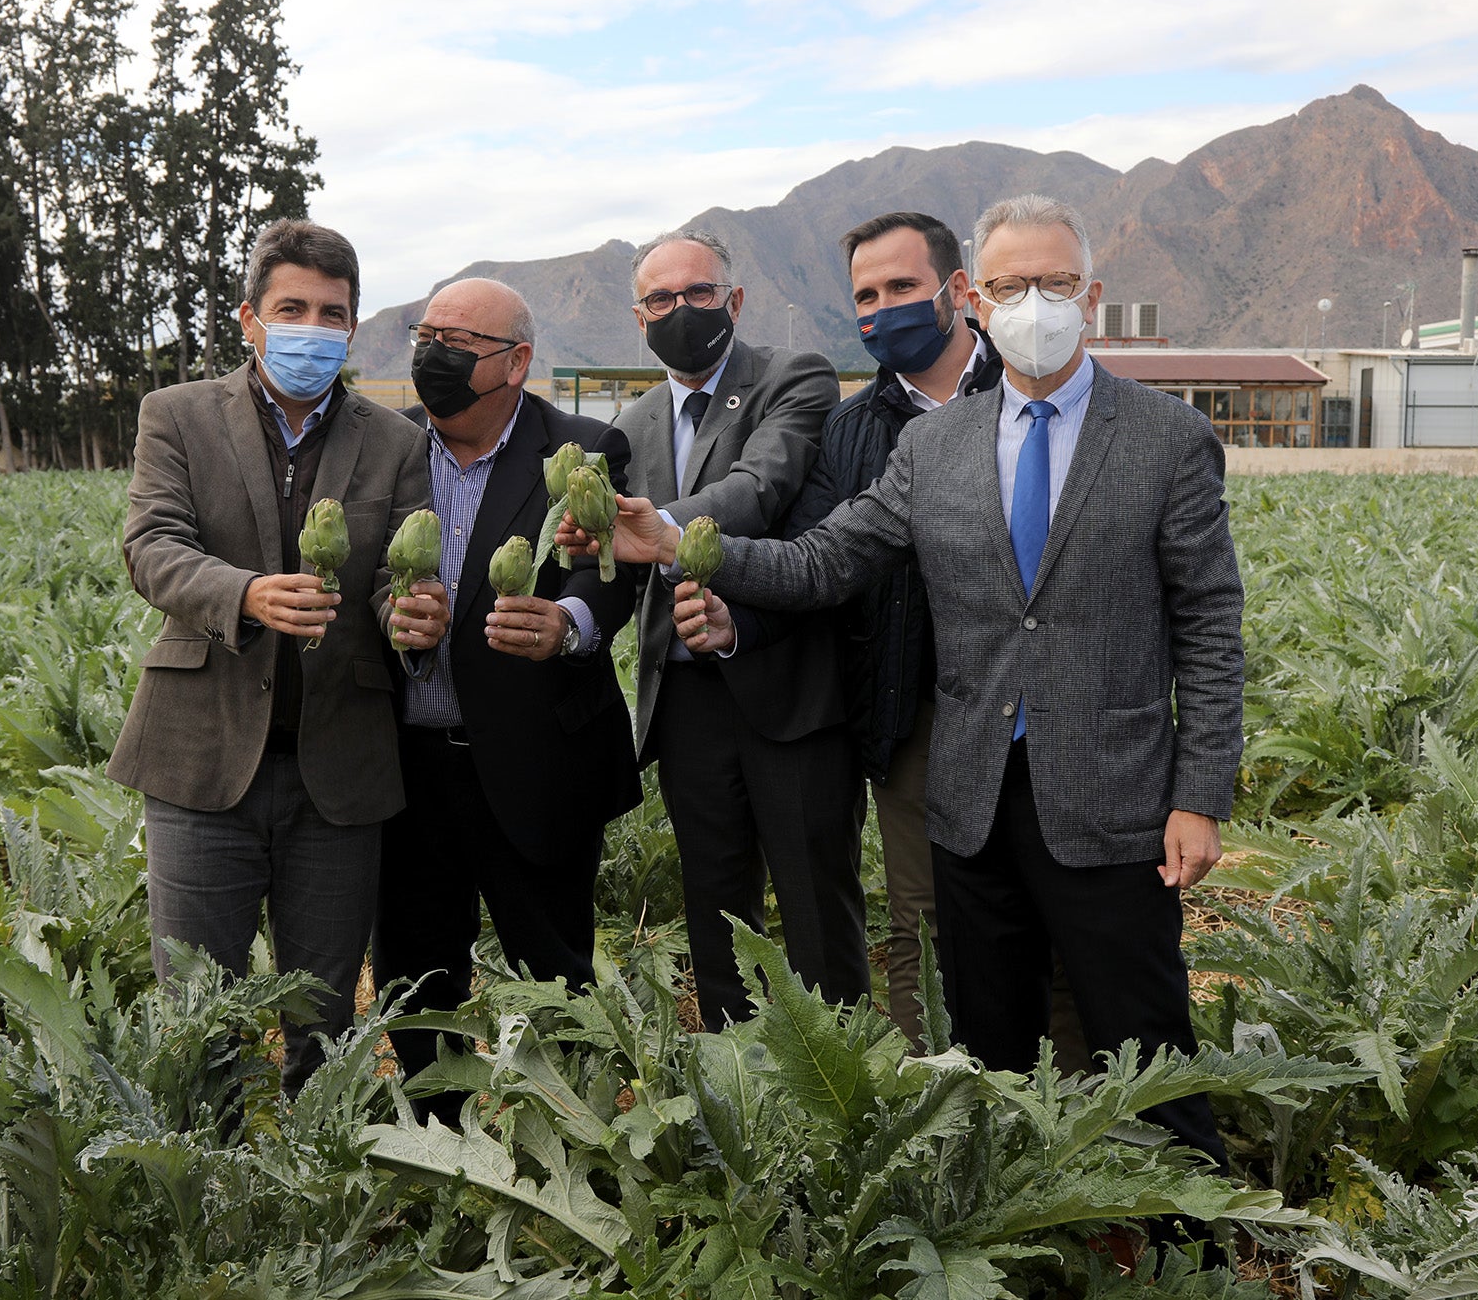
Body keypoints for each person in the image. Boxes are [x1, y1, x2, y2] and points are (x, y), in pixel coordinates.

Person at [592, 195, 1242, 1164]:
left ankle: (1185, 1238)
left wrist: (1198, 794)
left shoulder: (1163, 439)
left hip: (1110, 794)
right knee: (988, 1045)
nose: (1032, 301)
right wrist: (681, 542)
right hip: (970, 795)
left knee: (1140, 1038)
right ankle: (1019, 1218)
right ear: (976, 296)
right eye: (1011, 283)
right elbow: (821, 560)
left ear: (1090, 297)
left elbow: (1208, 628)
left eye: (1053, 283)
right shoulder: (931, 446)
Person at [108, 219, 438, 1094]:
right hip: (201, 756)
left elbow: (391, 577)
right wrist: (245, 594)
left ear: (353, 330)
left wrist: (410, 611)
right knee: (197, 1010)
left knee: (324, 1016)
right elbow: (152, 544)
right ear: (249, 318)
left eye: (332, 313)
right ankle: (200, 1204)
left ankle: (313, 1187)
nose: (311, 327)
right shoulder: (176, 416)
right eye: (291, 307)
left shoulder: (399, 442)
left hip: (340, 767)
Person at [573, 229, 868, 1029]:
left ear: (734, 300)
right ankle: (734, 1074)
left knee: (816, 906)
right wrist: (586, 553)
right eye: (661, 299)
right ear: (640, 316)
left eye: (699, 293)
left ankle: (841, 1083)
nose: (681, 310)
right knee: (716, 906)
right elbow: (620, 567)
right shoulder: (629, 426)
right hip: (688, 697)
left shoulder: (792, 378)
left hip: (790, 692)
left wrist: (655, 530)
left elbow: (759, 488)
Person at [373, 278, 641, 1117]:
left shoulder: (585, 447)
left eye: (458, 341)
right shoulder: (387, 451)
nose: (432, 356)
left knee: (556, 968)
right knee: (417, 973)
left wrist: (567, 621)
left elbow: (615, 570)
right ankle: (438, 1133)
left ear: (517, 362)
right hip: (410, 766)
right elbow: (362, 579)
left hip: (538, 759)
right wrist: (393, 613)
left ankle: (572, 1134)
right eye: (426, 335)